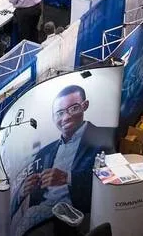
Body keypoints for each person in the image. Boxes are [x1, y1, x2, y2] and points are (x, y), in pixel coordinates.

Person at [11, 85, 115, 228]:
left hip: (80, 214)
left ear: (85, 106)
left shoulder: (103, 138)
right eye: (59, 113)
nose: (66, 117)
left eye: (73, 108)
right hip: (46, 213)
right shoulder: (45, 152)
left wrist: (68, 178)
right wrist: (22, 192)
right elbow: (25, 198)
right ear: (53, 118)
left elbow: (110, 180)